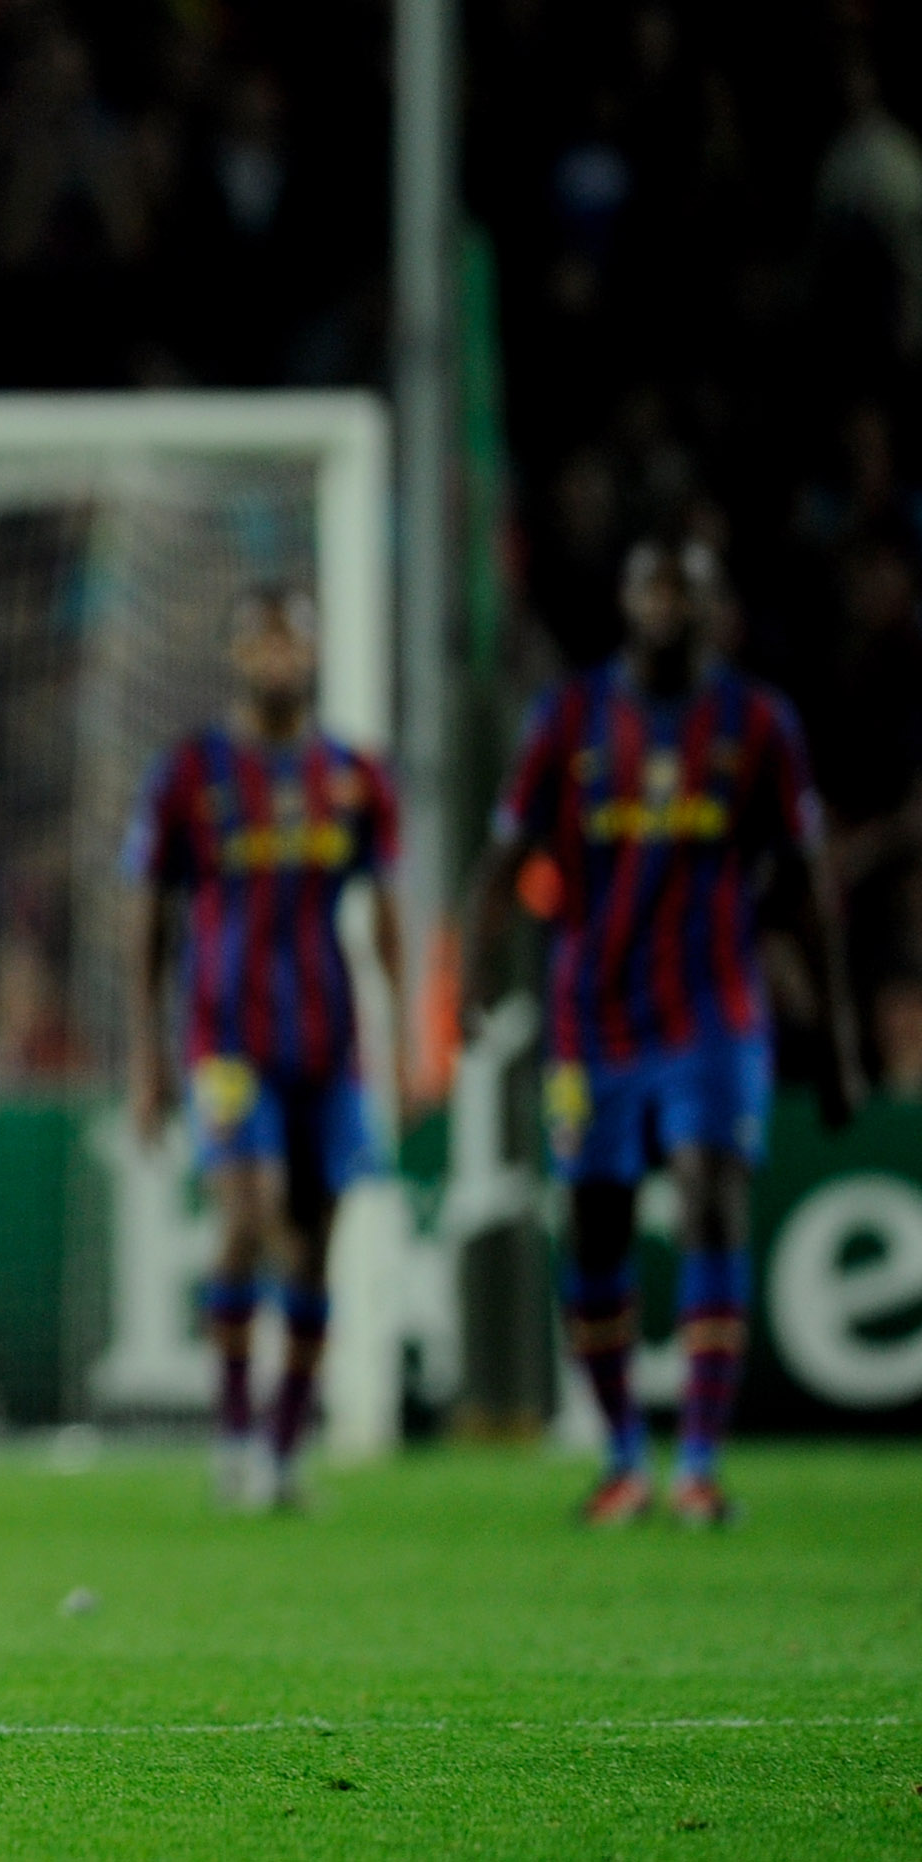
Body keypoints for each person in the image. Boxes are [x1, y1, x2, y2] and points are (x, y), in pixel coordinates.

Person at [467, 537, 862, 1529]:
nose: (667, 604)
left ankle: (698, 1459)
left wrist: (841, 1036)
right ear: (626, 598)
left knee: (710, 1197)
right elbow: (505, 851)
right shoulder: (568, 714)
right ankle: (620, 1452)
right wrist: (475, 967)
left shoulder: (760, 721)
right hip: (591, 1017)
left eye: (685, 587)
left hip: (715, 1012)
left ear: (714, 604)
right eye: (650, 584)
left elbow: (807, 886)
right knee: (596, 1225)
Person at [122, 587, 402, 1512]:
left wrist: (406, 1038)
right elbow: (150, 916)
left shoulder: (356, 775)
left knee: (315, 1246)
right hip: (225, 1036)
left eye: (294, 642)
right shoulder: (191, 774)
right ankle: (235, 1435)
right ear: (237, 654)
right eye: (263, 642)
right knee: (248, 1216)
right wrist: (146, 1056)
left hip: (328, 1042)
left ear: (315, 653)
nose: (279, 659)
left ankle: (285, 1447)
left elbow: (386, 914)